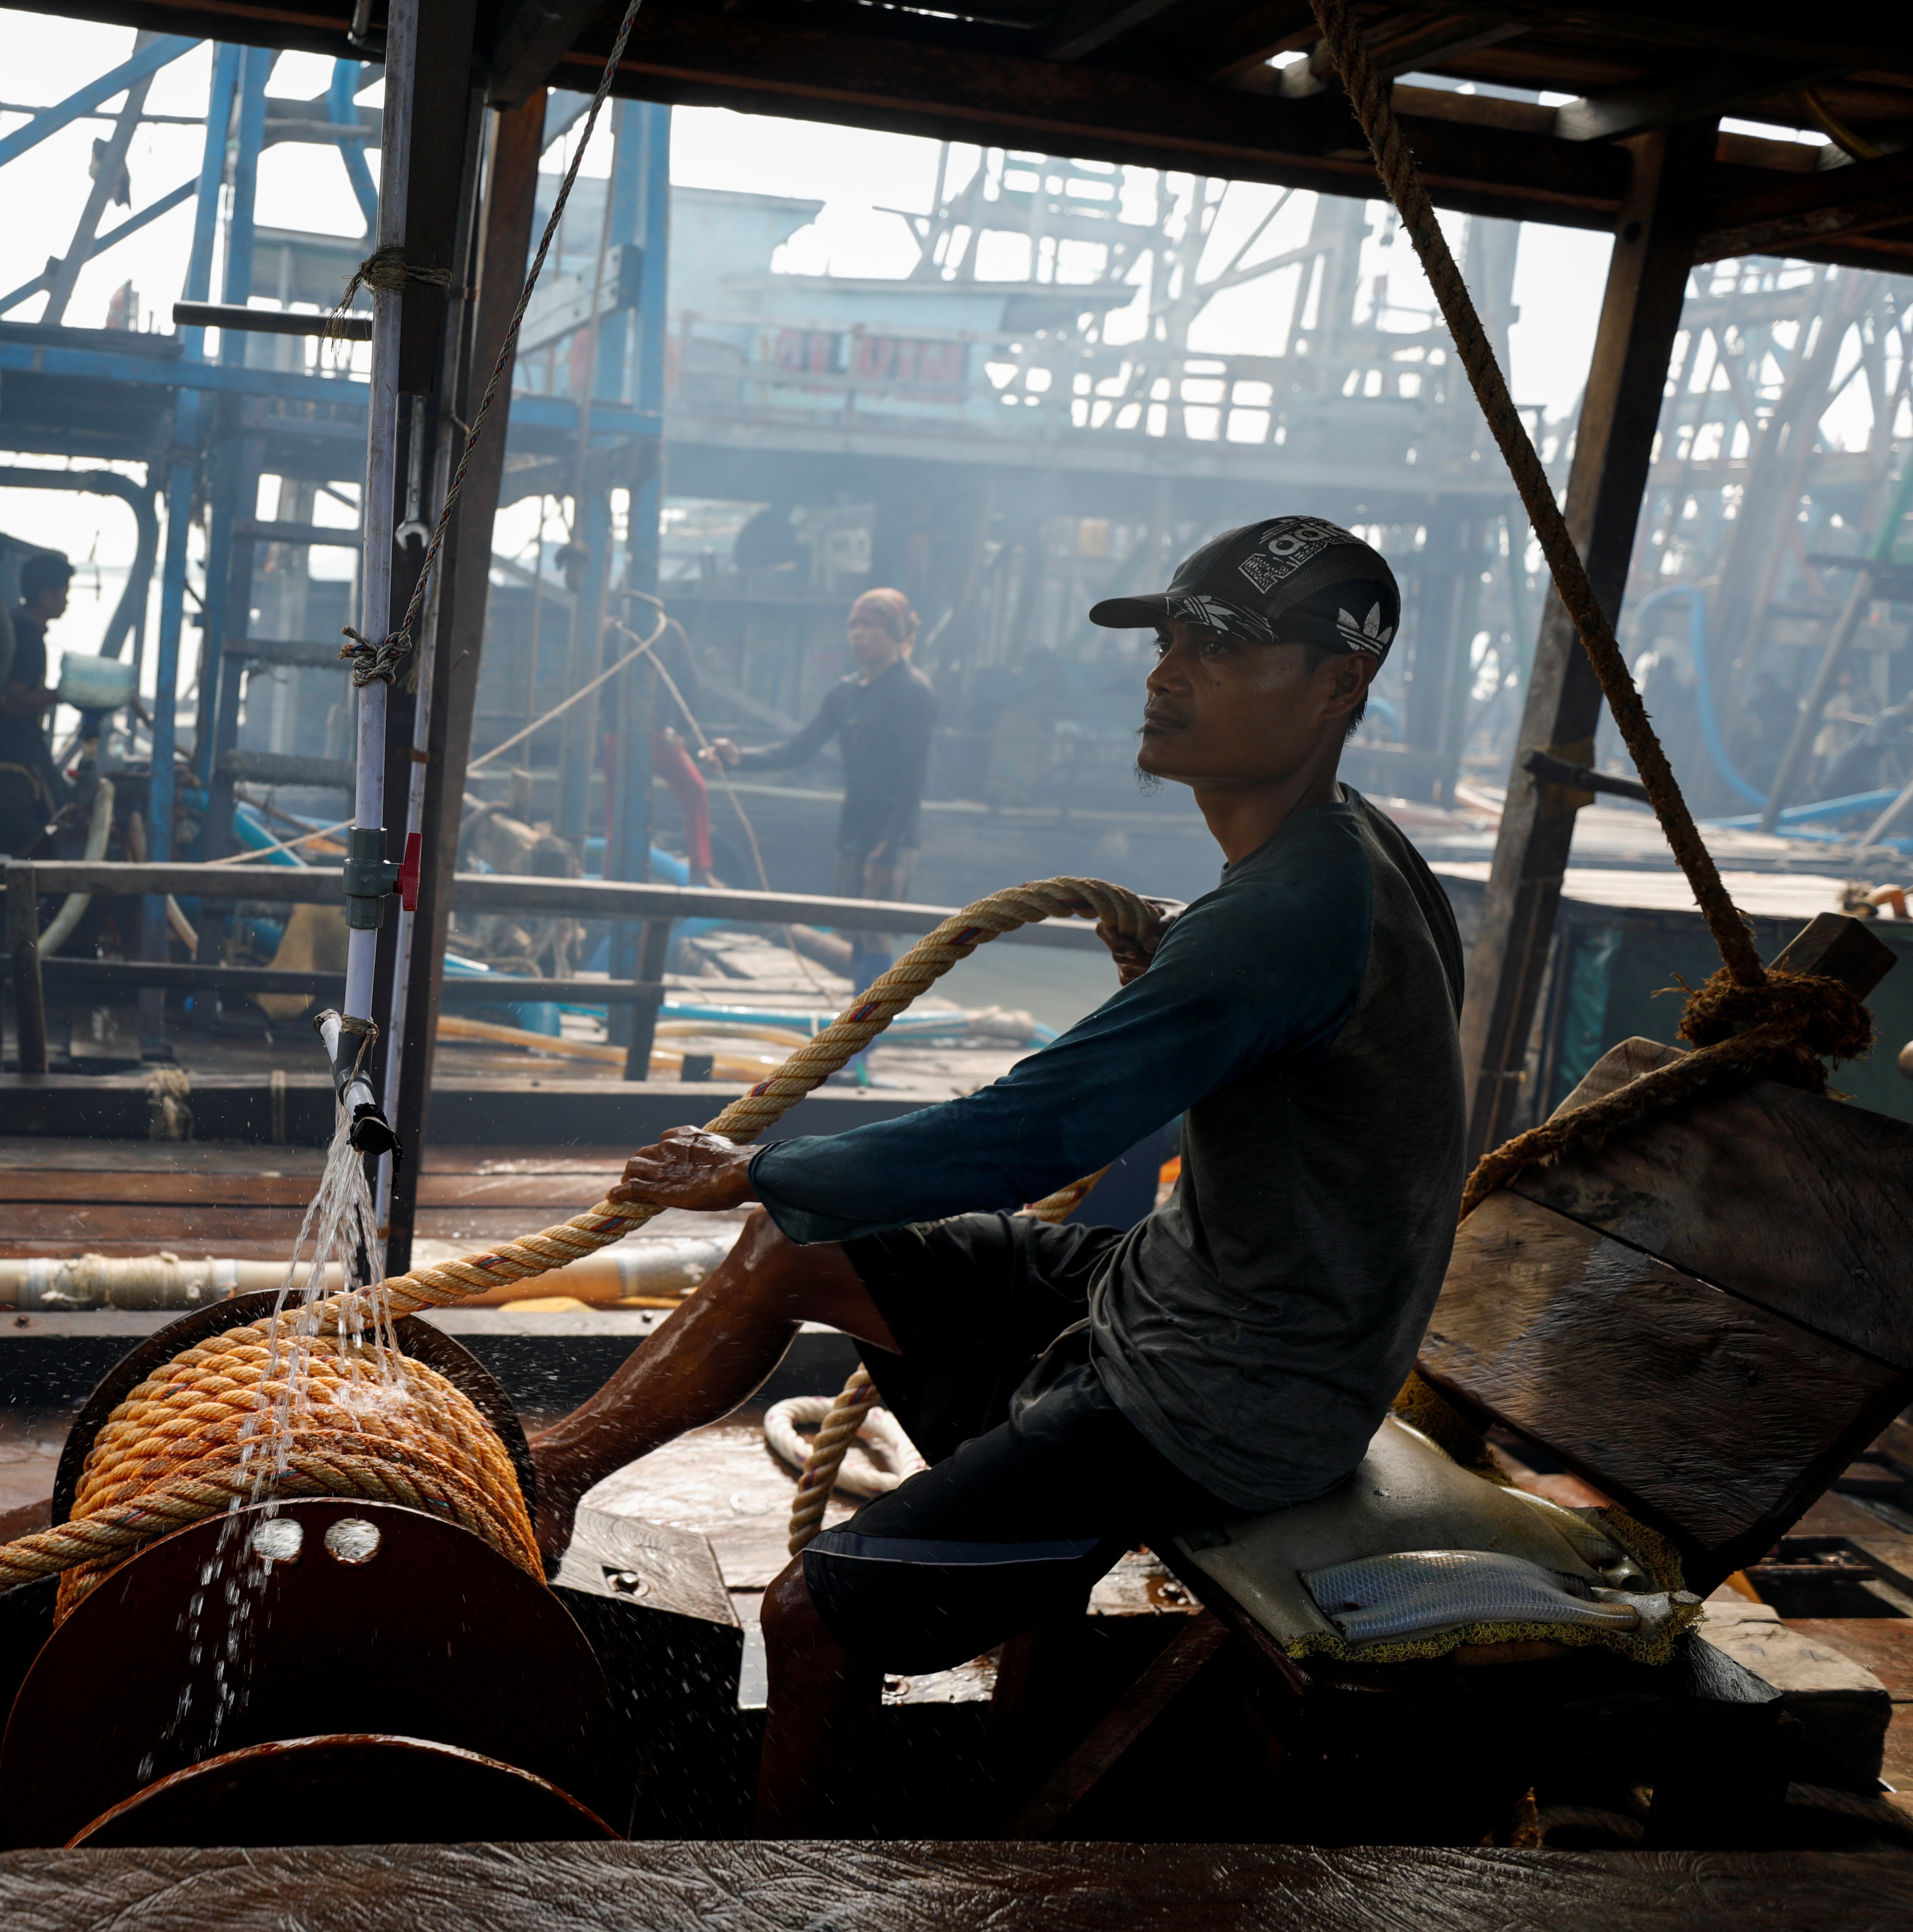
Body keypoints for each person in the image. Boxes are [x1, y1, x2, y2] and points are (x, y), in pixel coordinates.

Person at [530, 516, 1464, 1832]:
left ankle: (798, 1897)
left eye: (1224, 652)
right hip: (1179, 1290)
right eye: (1171, 644)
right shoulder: (1336, 862)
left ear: (1335, 687)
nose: (1167, 675)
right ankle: (555, 1470)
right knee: (793, 1251)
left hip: (1227, 1392)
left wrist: (753, 1165)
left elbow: (1023, 1135)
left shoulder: (1282, 917)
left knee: (811, 1621)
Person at [709, 588, 939, 987]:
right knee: (852, 927)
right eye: (854, 625)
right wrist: (740, 758)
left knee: (875, 928)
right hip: (854, 824)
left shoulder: (913, 691)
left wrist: (889, 845)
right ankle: (857, 1018)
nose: (858, 633)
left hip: (893, 832)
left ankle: (867, 1036)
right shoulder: (844, 693)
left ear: (896, 633)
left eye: (870, 625)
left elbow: (912, 776)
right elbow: (799, 748)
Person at [0, 552, 74, 857]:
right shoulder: (29, 637)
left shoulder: (14, 623)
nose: (67, 601)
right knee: (61, 811)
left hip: (1, 740)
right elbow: (14, 698)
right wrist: (64, 693)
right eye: (64, 593)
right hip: (17, 745)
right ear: (47, 596)